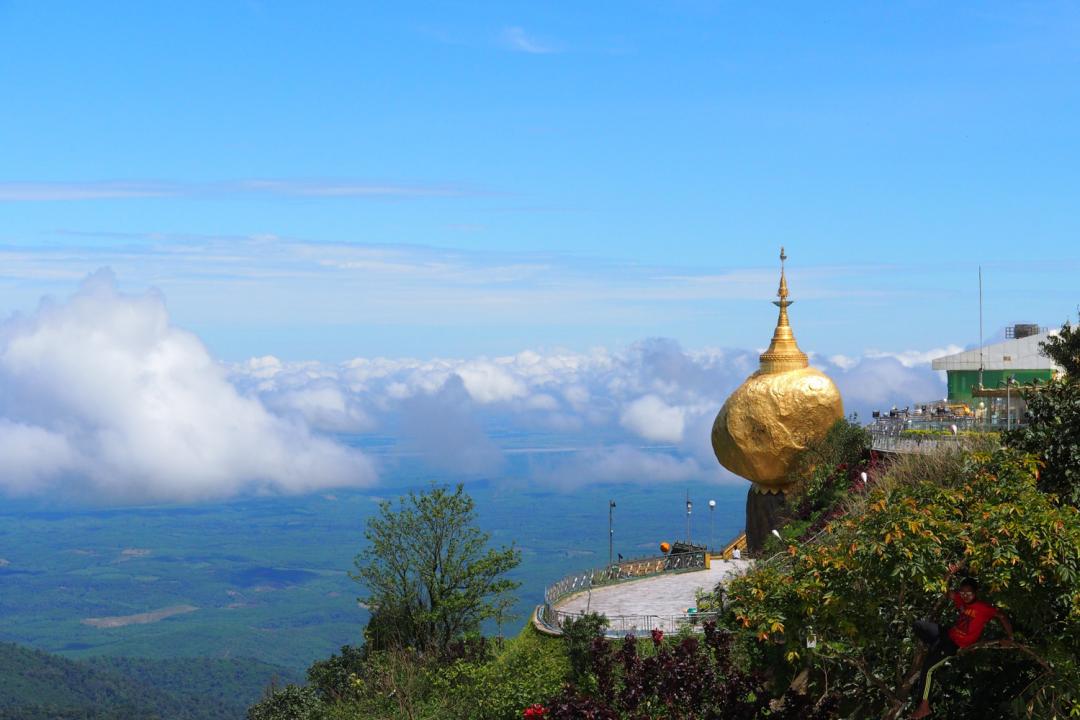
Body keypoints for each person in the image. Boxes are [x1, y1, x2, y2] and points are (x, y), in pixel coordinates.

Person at [910, 566, 1014, 719]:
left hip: (954, 645)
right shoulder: (960, 599)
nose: (965, 596)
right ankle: (934, 648)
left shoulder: (983, 608)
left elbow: (1002, 616)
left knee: (928, 669)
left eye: (969, 593)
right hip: (946, 634)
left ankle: (924, 706)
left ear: (975, 593)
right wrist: (949, 574)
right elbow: (946, 591)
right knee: (918, 625)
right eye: (963, 592)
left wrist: (1010, 638)